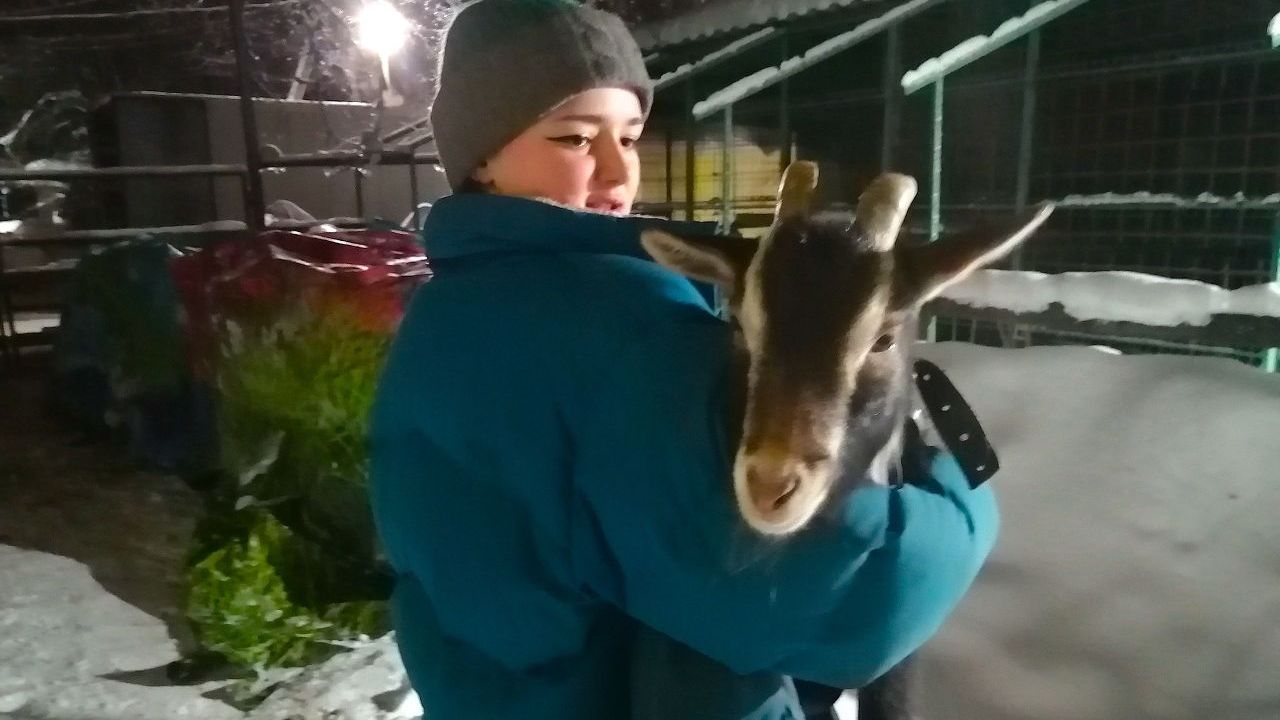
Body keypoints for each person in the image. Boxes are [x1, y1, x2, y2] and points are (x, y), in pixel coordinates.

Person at [367, 1, 999, 718]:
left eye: (630, 137)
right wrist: (964, 501)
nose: (615, 170)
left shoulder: (443, 313)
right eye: (575, 138)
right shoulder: (618, 330)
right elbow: (846, 599)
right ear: (482, 155)